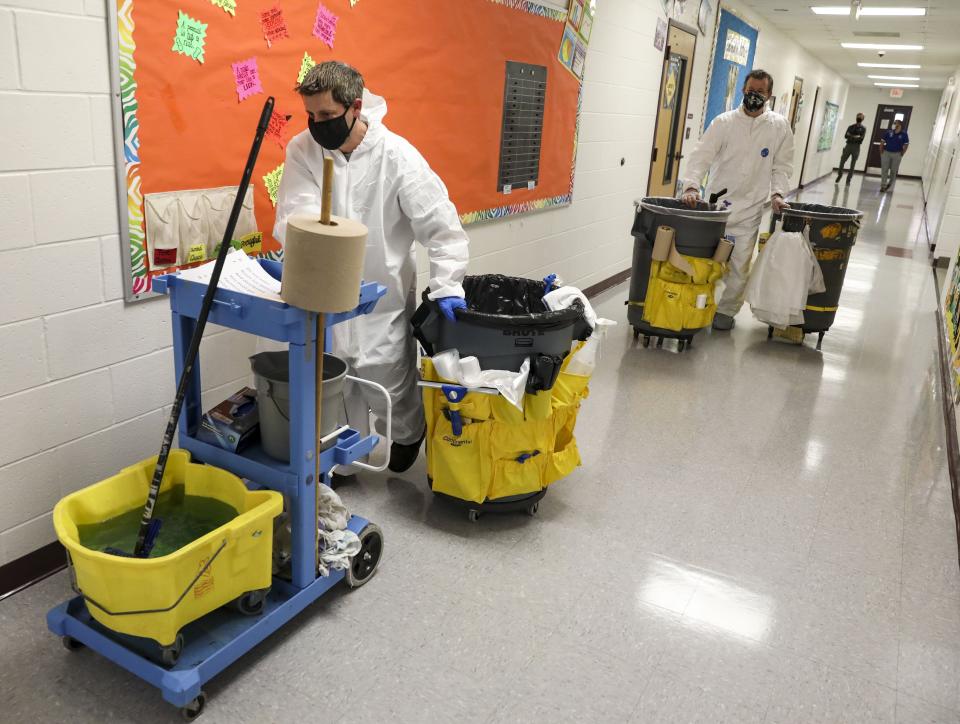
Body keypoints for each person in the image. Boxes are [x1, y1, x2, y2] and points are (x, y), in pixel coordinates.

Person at [274, 61, 470, 473]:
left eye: (326, 115)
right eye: (310, 115)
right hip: (326, 296)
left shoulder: (396, 156)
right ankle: (343, 463)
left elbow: (441, 225)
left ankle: (406, 435)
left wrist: (447, 284)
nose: (317, 124)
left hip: (383, 298)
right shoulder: (303, 150)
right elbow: (298, 213)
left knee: (390, 381)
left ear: (355, 106)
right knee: (336, 382)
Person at [680, 69, 795, 331]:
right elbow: (702, 156)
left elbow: (782, 166)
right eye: (750, 90)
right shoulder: (724, 122)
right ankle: (696, 306)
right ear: (743, 90)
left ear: (769, 95)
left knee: (740, 267)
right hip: (716, 208)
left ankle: (726, 312)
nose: (754, 96)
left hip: (750, 210)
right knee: (705, 262)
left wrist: (778, 193)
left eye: (760, 92)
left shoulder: (778, 127)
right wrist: (691, 187)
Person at [836, 112, 866, 185]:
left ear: (863, 119)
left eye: (861, 117)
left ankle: (848, 180)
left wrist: (851, 135)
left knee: (852, 164)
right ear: (856, 117)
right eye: (858, 116)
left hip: (856, 147)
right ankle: (840, 175)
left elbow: (861, 138)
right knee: (842, 161)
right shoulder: (851, 127)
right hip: (848, 145)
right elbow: (846, 136)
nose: (859, 118)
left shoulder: (863, 128)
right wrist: (856, 136)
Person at [880, 120, 909, 192]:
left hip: (897, 154)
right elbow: (882, 142)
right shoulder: (888, 132)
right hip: (886, 153)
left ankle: (889, 184)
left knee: (893, 170)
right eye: (894, 123)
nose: (894, 124)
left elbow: (906, 144)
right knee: (884, 169)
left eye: (895, 123)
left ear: (899, 125)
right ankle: (883, 185)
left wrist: (903, 152)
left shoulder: (904, 134)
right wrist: (881, 151)